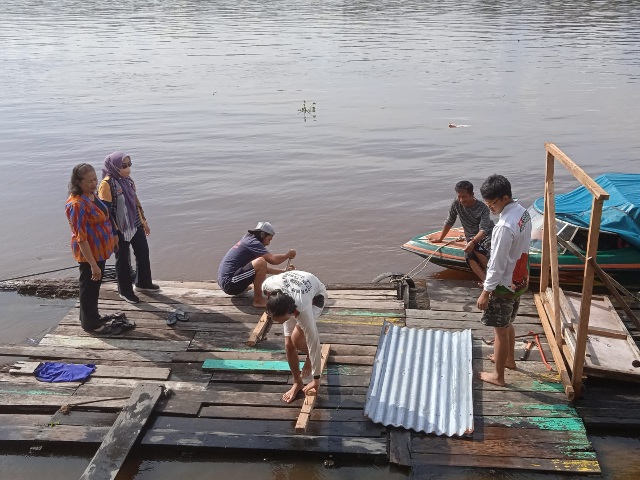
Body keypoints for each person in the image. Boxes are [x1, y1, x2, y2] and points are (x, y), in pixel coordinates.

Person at [476, 175, 532, 387]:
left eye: (492, 203)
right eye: (487, 203)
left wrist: (486, 291)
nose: (490, 207)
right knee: (508, 322)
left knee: (499, 329)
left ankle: (498, 376)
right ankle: (508, 360)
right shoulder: (523, 213)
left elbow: (497, 263)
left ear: (505, 197)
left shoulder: (503, 227)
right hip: (520, 279)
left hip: (504, 284)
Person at [98, 151, 159, 304]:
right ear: (114, 166)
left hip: (135, 223)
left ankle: (143, 282)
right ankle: (124, 291)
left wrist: (143, 221)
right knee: (123, 260)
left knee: (143, 252)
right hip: (119, 228)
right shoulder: (107, 184)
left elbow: (135, 202)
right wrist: (113, 233)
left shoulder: (128, 181)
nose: (128, 168)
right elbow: (106, 212)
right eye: (124, 166)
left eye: (129, 165)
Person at [65, 163, 118, 334]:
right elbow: (81, 238)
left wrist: (114, 234)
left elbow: (106, 216)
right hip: (89, 254)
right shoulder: (77, 204)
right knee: (88, 287)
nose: (94, 184)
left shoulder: (92, 196)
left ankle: (91, 316)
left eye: (95, 179)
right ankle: (91, 325)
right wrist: (93, 265)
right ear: (78, 182)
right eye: (89, 181)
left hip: (100, 250)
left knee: (94, 287)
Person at [262, 270, 327, 403]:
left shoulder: (303, 309)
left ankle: (308, 356)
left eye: (279, 319)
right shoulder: (267, 287)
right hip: (292, 291)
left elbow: (313, 341)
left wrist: (316, 380)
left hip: (315, 298)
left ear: (290, 312)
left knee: (296, 339)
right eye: (273, 318)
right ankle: (297, 382)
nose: (276, 322)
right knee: (288, 345)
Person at [218, 222, 296, 308]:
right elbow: (273, 260)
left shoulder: (248, 239)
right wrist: (287, 255)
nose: (268, 243)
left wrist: (282, 271)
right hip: (229, 284)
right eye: (269, 239)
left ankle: (241, 287)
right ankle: (258, 300)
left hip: (227, 282)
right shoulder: (253, 243)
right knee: (261, 261)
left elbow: (260, 269)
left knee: (260, 262)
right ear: (262, 234)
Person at [429, 180, 494, 282]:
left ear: (472, 194)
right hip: (471, 237)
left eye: (464, 196)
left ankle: (491, 275)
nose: (461, 200)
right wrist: (440, 238)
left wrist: (473, 242)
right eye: (459, 196)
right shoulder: (456, 203)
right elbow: (450, 220)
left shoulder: (483, 208)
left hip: (486, 235)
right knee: (468, 255)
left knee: (477, 247)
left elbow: (484, 230)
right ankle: (485, 281)